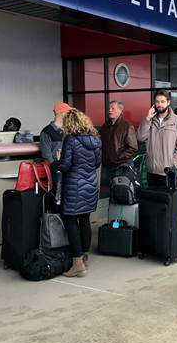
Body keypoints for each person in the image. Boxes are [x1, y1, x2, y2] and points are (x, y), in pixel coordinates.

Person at [55, 109, 101, 278]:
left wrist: (57, 160)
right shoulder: (95, 140)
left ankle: (77, 264)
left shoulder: (70, 140)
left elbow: (65, 166)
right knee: (85, 220)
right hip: (90, 185)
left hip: (74, 186)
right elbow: (96, 163)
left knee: (70, 222)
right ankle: (84, 256)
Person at [136, 90, 177, 187]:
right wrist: (147, 119)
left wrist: (172, 163)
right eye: (157, 102)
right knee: (152, 201)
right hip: (151, 171)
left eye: (162, 101)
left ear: (168, 102)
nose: (159, 104)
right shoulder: (150, 120)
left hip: (168, 172)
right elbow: (140, 138)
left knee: (167, 201)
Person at [99, 101, 138, 189]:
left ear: (120, 111)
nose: (109, 110)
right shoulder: (105, 127)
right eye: (109, 108)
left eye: (113, 108)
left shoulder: (127, 126)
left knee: (121, 192)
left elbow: (133, 148)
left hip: (121, 166)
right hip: (107, 166)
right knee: (107, 192)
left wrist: (118, 156)